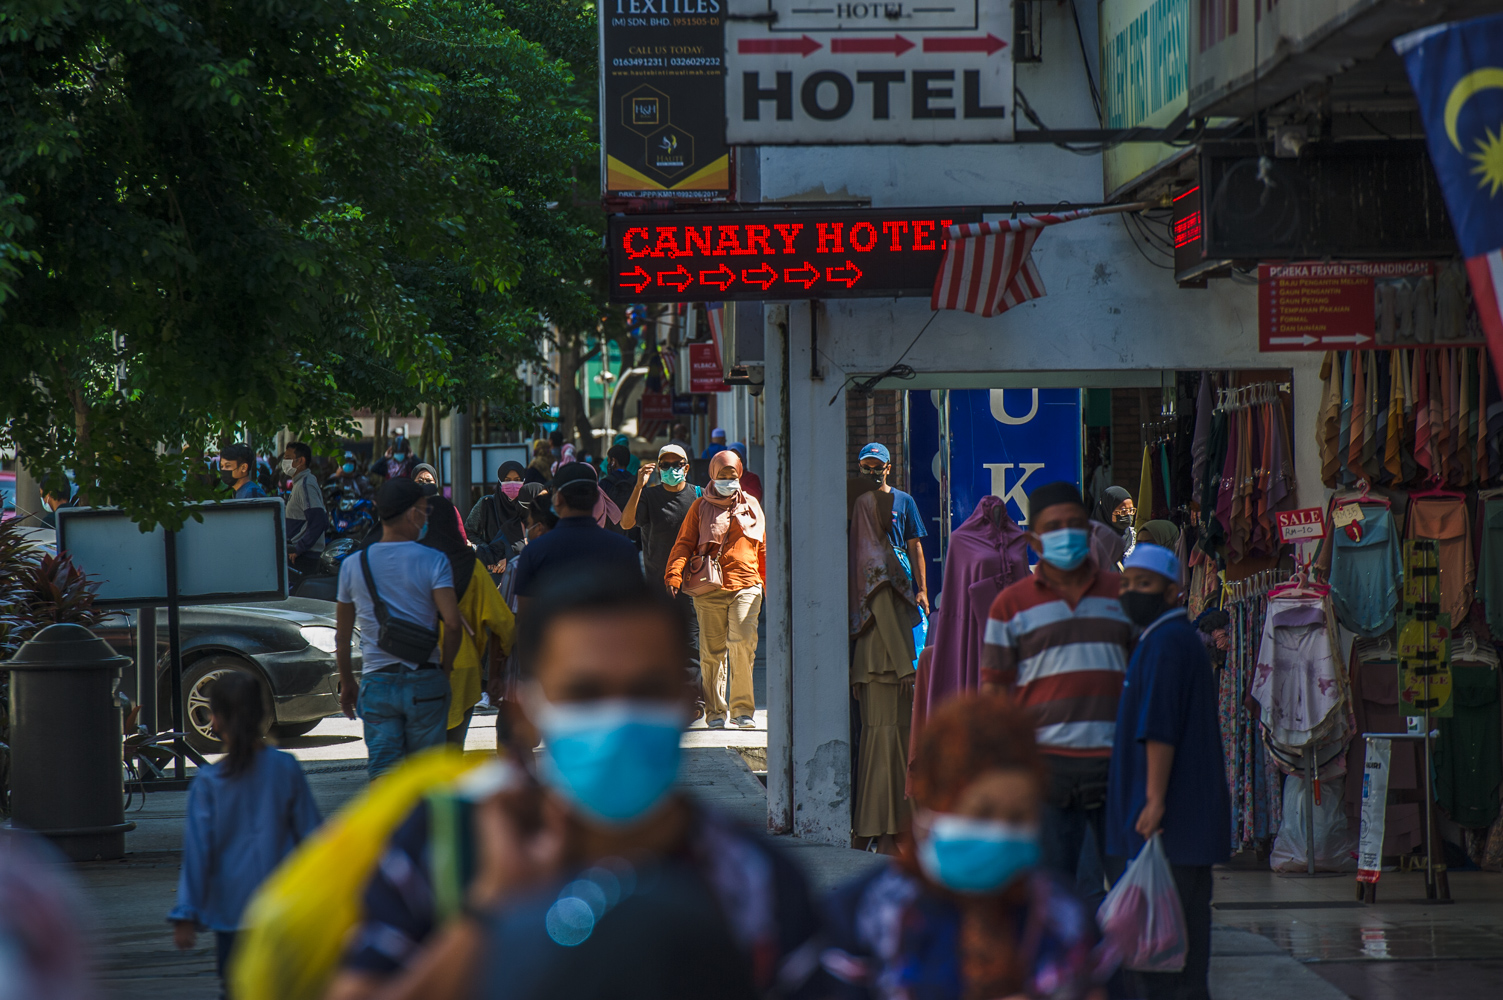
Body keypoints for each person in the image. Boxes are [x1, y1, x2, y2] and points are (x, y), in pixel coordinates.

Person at [326, 569, 825, 1000]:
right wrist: (489, 909)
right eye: (585, 694)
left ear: (685, 703)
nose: (618, 717)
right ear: (527, 712)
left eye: (646, 691)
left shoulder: (753, 879)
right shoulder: (447, 842)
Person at [823, 693, 1110, 1000]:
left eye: (1018, 817)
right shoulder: (863, 918)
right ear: (937, 804)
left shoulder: (1067, 919)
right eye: (982, 814)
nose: (1001, 833)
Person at [980, 481, 1134, 898]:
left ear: (1089, 532)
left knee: (1128, 894)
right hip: (1046, 774)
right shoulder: (1010, 606)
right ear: (1034, 540)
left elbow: (1141, 680)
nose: (1065, 535)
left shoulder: (1123, 597)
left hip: (1114, 769)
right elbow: (995, 697)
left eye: (1073, 525)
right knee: (1053, 897)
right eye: (1053, 527)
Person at [1105, 544, 1229, 1000]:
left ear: (1173, 590)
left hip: (1170, 821)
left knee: (1164, 958)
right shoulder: (1167, 639)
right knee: (1186, 945)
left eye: (1145, 584)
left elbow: (1159, 729)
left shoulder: (1165, 643)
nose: (1132, 592)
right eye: (1127, 583)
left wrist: (1154, 800)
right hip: (1182, 823)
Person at [169, 672, 322, 990]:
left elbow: (198, 854)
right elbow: (313, 838)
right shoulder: (286, 768)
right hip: (282, 910)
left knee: (238, 988)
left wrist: (186, 913)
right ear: (262, 714)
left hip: (231, 913)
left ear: (215, 719)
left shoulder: (208, 783)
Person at [335, 479, 465, 779]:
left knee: (384, 774)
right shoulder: (435, 560)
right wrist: (444, 670)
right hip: (425, 679)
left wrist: (348, 681)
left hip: (376, 683)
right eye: (424, 510)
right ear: (412, 514)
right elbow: (453, 623)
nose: (426, 517)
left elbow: (342, 636)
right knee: (427, 778)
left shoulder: (353, 565)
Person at [665, 450, 765, 730]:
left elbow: (763, 547)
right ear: (712, 475)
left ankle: (742, 710)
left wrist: (770, 584)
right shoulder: (699, 506)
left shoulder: (752, 505)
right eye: (722, 475)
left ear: (740, 474)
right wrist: (674, 574)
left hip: (747, 584)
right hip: (709, 588)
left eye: (732, 475)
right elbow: (684, 543)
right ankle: (716, 712)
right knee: (712, 652)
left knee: (743, 643)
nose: (728, 480)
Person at [848, 486, 919, 853]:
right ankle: (876, 828)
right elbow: (886, 614)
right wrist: (906, 668)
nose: (890, 513)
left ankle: (888, 831)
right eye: (882, 508)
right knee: (885, 747)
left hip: (881, 664)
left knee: (887, 747)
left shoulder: (880, 552)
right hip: (885, 666)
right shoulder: (874, 558)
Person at [421, 496, 515, 747]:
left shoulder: (409, 563)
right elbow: (504, 624)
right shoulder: (472, 567)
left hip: (417, 668)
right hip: (464, 673)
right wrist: (495, 675)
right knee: (453, 751)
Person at [621, 443, 704, 719]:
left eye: (676, 464)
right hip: (658, 582)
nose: (670, 469)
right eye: (665, 465)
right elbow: (626, 523)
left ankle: (693, 701)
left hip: (692, 583)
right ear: (658, 468)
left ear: (686, 467)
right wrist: (638, 487)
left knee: (691, 643)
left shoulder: (698, 495)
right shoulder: (649, 496)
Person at [512, 463, 641, 608]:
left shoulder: (534, 552)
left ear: (557, 498)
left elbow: (525, 615)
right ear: (597, 497)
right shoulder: (624, 549)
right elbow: (634, 610)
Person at [856, 442, 929, 614]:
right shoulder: (852, 502)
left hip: (896, 583)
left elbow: (915, 546)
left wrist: (922, 590)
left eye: (878, 468)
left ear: (888, 469)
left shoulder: (904, 501)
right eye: (866, 468)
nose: (872, 473)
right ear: (860, 468)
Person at [467, 461, 530, 571]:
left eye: (517, 479)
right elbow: (468, 532)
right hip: (491, 570)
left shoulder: (528, 507)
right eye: (507, 480)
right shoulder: (486, 504)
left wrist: (511, 557)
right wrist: (490, 554)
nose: (512, 484)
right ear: (500, 481)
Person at [283, 442, 329, 576]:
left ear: (301, 461)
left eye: (288, 458)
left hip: (304, 557)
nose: (284, 462)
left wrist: (299, 548)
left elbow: (319, 521)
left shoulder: (305, 484)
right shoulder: (299, 483)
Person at [601, 445, 636, 513]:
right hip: (632, 519)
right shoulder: (636, 482)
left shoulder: (605, 483)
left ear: (613, 461)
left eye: (608, 460)